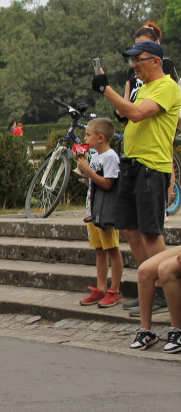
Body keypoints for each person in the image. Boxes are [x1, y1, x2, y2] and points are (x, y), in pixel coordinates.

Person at [93, 40, 181, 349]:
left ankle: (166, 285)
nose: (134, 65)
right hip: (132, 165)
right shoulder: (143, 87)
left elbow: (138, 114)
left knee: (150, 231)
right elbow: (127, 113)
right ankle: (154, 284)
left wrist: (106, 90)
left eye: (139, 60)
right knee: (130, 229)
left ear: (155, 61)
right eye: (132, 60)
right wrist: (116, 98)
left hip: (151, 167)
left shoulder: (167, 87)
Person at [74, 118, 124, 309]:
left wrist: (89, 171)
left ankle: (115, 289)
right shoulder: (95, 157)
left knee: (112, 249)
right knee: (99, 250)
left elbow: (108, 184)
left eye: (88, 135)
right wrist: (84, 171)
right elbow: (92, 184)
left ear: (101, 138)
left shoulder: (110, 157)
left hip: (107, 211)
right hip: (93, 210)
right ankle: (101, 287)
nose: (85, 138)